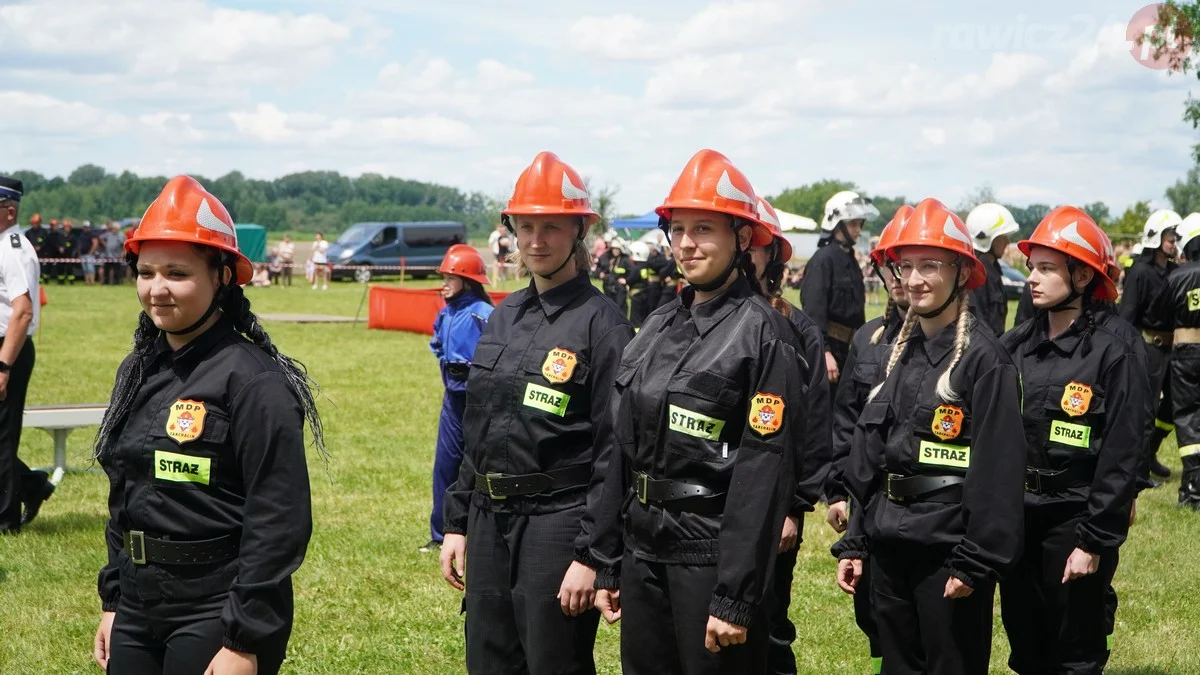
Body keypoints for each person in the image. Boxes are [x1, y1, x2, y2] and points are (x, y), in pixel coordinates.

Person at [91, 175, 325, 675]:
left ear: (222, 276)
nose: (157, 289)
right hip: (136, 604)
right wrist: (114, 601)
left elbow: (278, 520)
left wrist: (245, 638)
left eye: (177, 273)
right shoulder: (137, 370)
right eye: (146, 271)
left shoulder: (255, 381)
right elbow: (124, 493)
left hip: (216, 609)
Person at [589, 149, 807, 674]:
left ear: (742, 237)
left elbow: (763, 474)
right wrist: (607, 560)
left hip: (709, 559)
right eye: (678, 229)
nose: (686, 244)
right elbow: (620, 446)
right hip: (643, 553)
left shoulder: (764, 335)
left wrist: (735, 596)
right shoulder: (658, 325)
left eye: (703, 229)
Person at [439, 152, 633, 674]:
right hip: (486, 520)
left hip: (557, 521)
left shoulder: (604, 326)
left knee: (554, 663)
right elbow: (476, 427)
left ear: (578, 232)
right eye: (526, 227)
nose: (536, 240)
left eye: (551, 227)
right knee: (488, 660)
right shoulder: (502, 316)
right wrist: (456, 522)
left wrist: (593, 555)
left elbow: (617, 452)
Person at [835, 197, 1026, 675]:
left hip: (949, 554)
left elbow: (997, 470)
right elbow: (874, 458)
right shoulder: (901, 354)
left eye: (930, 266)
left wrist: (975, 561)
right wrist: (857, 540)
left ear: (962, 272)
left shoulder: (985, 360)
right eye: (906, 266)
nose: (913, 279)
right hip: (889, 548)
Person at [995, 207, 1144, 674]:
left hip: (1075, 517)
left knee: (1074, 649)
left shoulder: (1115, 349)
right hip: (1019, 518)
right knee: (1026, 644)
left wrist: (1093, 541)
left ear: (1082, 275)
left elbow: (1122, 454)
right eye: (1030, 266)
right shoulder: (1013, 346)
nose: (1032, 279)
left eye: (1046, 268)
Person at [825, 204, 914, 675]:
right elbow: (845, 422)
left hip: (924, 506)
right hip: (869, 502)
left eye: (909, 264)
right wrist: (838, 489)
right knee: (875, 612)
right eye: (890, 265)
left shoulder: (954, 342)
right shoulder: (867, 339)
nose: (900, 276)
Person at [752, 198, 831, 675]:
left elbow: (813, 428)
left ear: (773, 257)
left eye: (759, 245)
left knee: (769, 625)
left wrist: (793, 508)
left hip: (771, 507)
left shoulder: (797, 330)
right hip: (704, 509)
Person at [423, 244, 494, 554]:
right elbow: (437, 344)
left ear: (467, 279)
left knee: (480, 464)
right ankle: (440, 534)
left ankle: (478, 531)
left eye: (450, 277)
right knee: (445, 465)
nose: (444, 283)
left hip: (480, 401)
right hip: (452, 401)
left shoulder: (484, 314)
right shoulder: (445, 312)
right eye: (443, 277)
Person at [0, 176, 49, 533]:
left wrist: (3, 366)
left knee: (2, 437)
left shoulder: (13, 249)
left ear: (10, 210)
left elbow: (23, 311)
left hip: (7, 347)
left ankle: (5, 521)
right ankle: (31, 485)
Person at [1119, 209, 1182, 484]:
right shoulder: (1140, 273)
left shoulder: (1176, 271)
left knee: (1172, 407)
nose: (1174, 242)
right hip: (1148, 349)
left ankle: (1151, 452)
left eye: (1176, 237)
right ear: (1156, 238)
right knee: (1144, 411)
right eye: (1170, 237)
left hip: (1174, 350)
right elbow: (1127, 316)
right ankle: (1137, 471)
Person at [802, 191, 879, 398]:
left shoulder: (851, 261)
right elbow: (813, 312)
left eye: (859, 224)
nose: (858, 229)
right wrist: (824, 353)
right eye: (853, 223)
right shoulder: (822, 260)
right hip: (829, 352)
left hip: (849, 349)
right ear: (837, 224)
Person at [1149, 211, 1200, 510]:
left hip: (1185, 355)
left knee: (1189, 418)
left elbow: (1157, 315)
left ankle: (1192, 492)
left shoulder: (1177, 276)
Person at [965, 203, 1020, 336]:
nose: (1008, 242)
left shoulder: (993, 270)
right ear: (986, 239)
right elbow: (981, 326)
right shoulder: (977, 276)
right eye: (1002, 237)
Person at [626, 241, 654, 328]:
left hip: (637, 296)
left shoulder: (636, 269)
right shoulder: (646, 266)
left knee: (635, 319)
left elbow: (629, 280)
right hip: (646, 294)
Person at [603, 239, 630, 317]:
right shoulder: (611, 259)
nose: (615, 251)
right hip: (610, 288)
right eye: (614, 249)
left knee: (620, 309)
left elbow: (634, 271)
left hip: (620, 289)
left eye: (617, 249)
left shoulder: (625, 260)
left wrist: (626, 280)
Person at [102, 221, 128, 285]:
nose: (114, 230)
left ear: (118, 229)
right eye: (113, 228)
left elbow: (124, 245)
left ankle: (117, 282)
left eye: (116, 228)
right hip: (108, 255)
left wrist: (123, 253)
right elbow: (100, 238)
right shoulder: (108, 234)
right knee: (106, 270)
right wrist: (105, 244)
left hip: (117, 256)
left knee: (117, 270)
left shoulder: (121, 235)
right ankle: (106, 282)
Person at [81, 220, 101, 285]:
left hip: (89, 255)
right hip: (83, 254)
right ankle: (87, 282)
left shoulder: (92, 234)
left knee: (90, 268)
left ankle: (92, 282)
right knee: (85, 269)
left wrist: (90, 253)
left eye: (87, 227)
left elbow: (95, 244)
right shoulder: (82, 234)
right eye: (84, 227)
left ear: (89, 227)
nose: (85, 228)